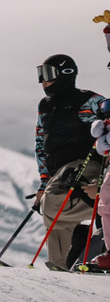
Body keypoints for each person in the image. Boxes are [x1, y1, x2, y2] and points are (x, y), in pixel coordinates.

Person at [32, 54, 102, 269]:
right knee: (53, 218)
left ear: (65, 74)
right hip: (59, 172)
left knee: (53, 202)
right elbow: (40, 144)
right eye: (40, 74)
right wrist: (44, 183)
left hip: (85, 165)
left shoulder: (87, 100)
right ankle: (63, 268)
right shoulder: (45, 106)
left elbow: (106, 117)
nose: (43, 81)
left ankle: (102, 205)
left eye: (48, 74)